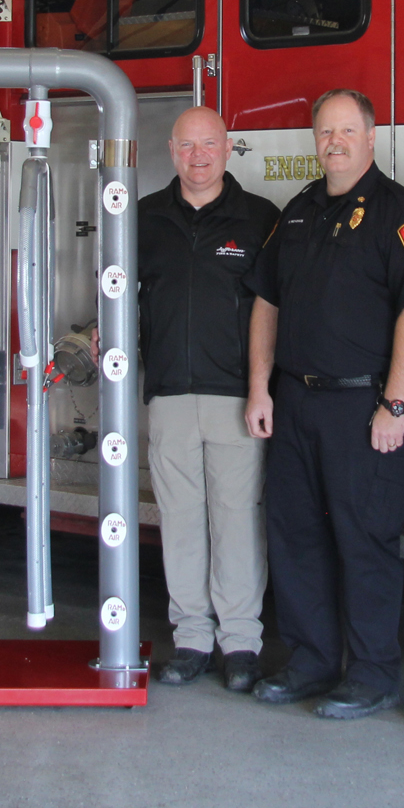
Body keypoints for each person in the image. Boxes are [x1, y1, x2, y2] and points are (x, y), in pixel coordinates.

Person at [244, 88, 404, 720]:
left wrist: (398, 404)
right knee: (295, 537)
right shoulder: (297, 212)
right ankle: (310, 661)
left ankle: (374, 673)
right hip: (295, 403)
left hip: (364, 408)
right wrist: (259, 388)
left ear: (371, 137)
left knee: (365, 540)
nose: (334, 142)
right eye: (325, 132)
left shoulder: (400, 214)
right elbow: (266, 303)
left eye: (346, 131)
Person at [137, 106, 280, 692]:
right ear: (172, 151)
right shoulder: (142, 218)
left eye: (209, 145)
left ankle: (241, 640)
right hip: (168, 395)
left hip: (235, 399)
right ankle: (192, 636)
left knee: (238, 520)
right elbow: (119, 293)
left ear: (228, 148)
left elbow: (271, 312)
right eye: (187, 146)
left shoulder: (259, 220)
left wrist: (260, 389)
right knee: (180, 521)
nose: (198, 156)